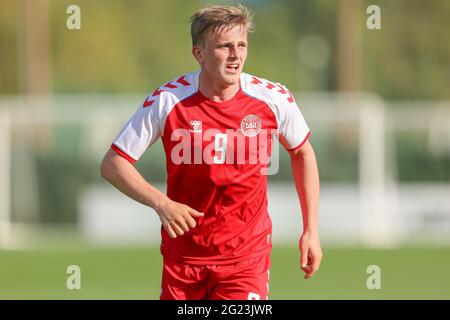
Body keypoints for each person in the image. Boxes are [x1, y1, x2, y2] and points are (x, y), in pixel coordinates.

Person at [100, 4, 322, 300]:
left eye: (241, 45)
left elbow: (303, 153)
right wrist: (161, 204)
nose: (236, 55)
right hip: (184, 260)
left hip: (246, 259)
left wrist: (311, 230)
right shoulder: (168, 100)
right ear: (199, 54)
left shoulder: (272, 98)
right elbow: (113, 163)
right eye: (224, 46)